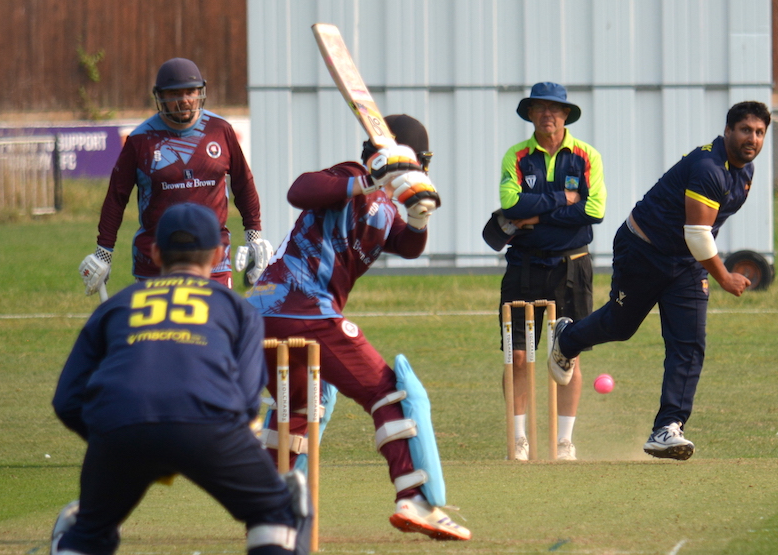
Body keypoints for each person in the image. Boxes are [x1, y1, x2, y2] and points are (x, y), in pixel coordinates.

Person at [245, 114, 471, 541]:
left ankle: (269, 514)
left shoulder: (386, 206)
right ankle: (414, 499)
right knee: (388, 390)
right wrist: (368, 178)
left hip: (259, 314)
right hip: (304, 308)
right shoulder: (351, 176)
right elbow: (300, 190)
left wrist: (419, 220)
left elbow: (406, 245)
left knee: (295, 413)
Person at [52, 203, 311, 555]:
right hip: (209, 425)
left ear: (156, 253)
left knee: (89, 531)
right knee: (278, 511)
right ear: (219, 254)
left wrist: (115, 439)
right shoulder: (237, 308)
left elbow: (67, 400)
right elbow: (249, 399)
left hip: (121, 426)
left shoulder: (116, 305)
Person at [549, 101, 771, 461]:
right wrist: (725, 276)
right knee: (621, 327)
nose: (753, 138)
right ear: (728, 131)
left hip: (686, 264)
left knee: (689, 343)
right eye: (746, 130)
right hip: (644, 249)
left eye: (760, 132)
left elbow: (700, 237)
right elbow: (699, 235)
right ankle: (567, 338)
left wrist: (702, 266)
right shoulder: (708, 167)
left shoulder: (744, 173)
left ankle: (668, 428)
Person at [79, 57, 273, 296]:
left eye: (190, 92)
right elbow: (115, 199)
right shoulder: (140, 140)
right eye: (175, 94)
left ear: (200, 92)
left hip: (213, 257)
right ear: (160, 97)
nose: (184, 100)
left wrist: (254, 236)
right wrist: (103, 253)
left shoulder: (220, 131)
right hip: (155, 259)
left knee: (214, 331)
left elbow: (244, 186)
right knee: (158, 333)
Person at [497, 82, 607, 461]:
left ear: (565, 115)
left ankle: (564, 441)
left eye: (555, 109)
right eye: (540, 108)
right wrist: (562, 200)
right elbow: (510, 204)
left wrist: (536, 215)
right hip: (524, 265)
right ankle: (520, 439)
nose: (548, 115)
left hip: (572, 266)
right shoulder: (517, 156)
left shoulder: (585, 155)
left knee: (568, 355)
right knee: (519, 357)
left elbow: (594, 211)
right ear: (530, 114)